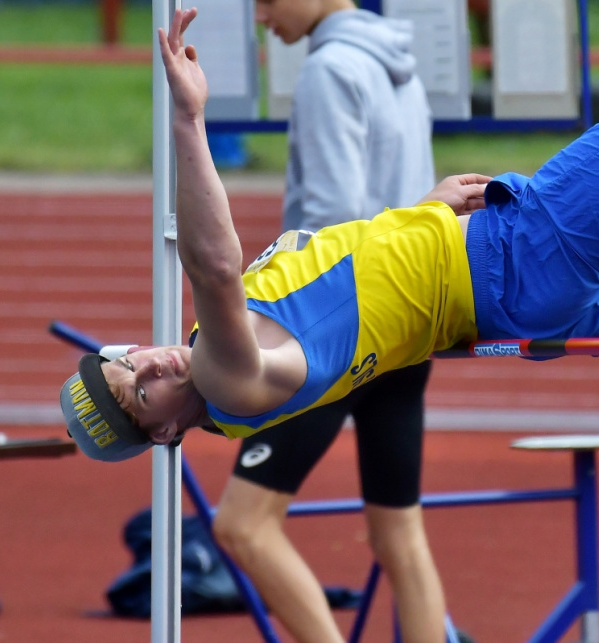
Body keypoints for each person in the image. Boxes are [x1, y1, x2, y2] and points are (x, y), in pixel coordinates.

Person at [61, 5, 599, 605]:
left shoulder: (226, 366)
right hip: (508, 261)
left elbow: (350, 284)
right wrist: (189, 116)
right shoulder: (227, 378)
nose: (151, 364)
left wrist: (417, 213)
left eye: (129, 360)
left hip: (505, 294)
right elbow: (213, 263)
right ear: (164, 432)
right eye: (141, 393)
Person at [209, 2, 444, 642]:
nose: (260, 16)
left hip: (341, 325)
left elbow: (331, 219)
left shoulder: (328, 70)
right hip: (414, 313)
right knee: (398, 530)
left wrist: (269, 308)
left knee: (243, 524)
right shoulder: (399, 62)